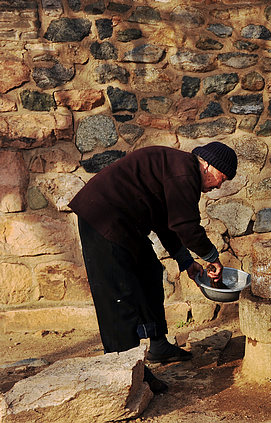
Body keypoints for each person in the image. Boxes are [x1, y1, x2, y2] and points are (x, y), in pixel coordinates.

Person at [69, 141, 237, 393]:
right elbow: (186, 227)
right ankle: (126, 372)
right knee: (118, 297)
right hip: (103, 219)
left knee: (149, 272)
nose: (218, 187)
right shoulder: (184, 172)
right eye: (220, 178)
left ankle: (158, 344)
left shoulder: (178, 169)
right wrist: (212, 257)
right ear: (207, 165)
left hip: (125, 223)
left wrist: (187, 262)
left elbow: (167, 223)